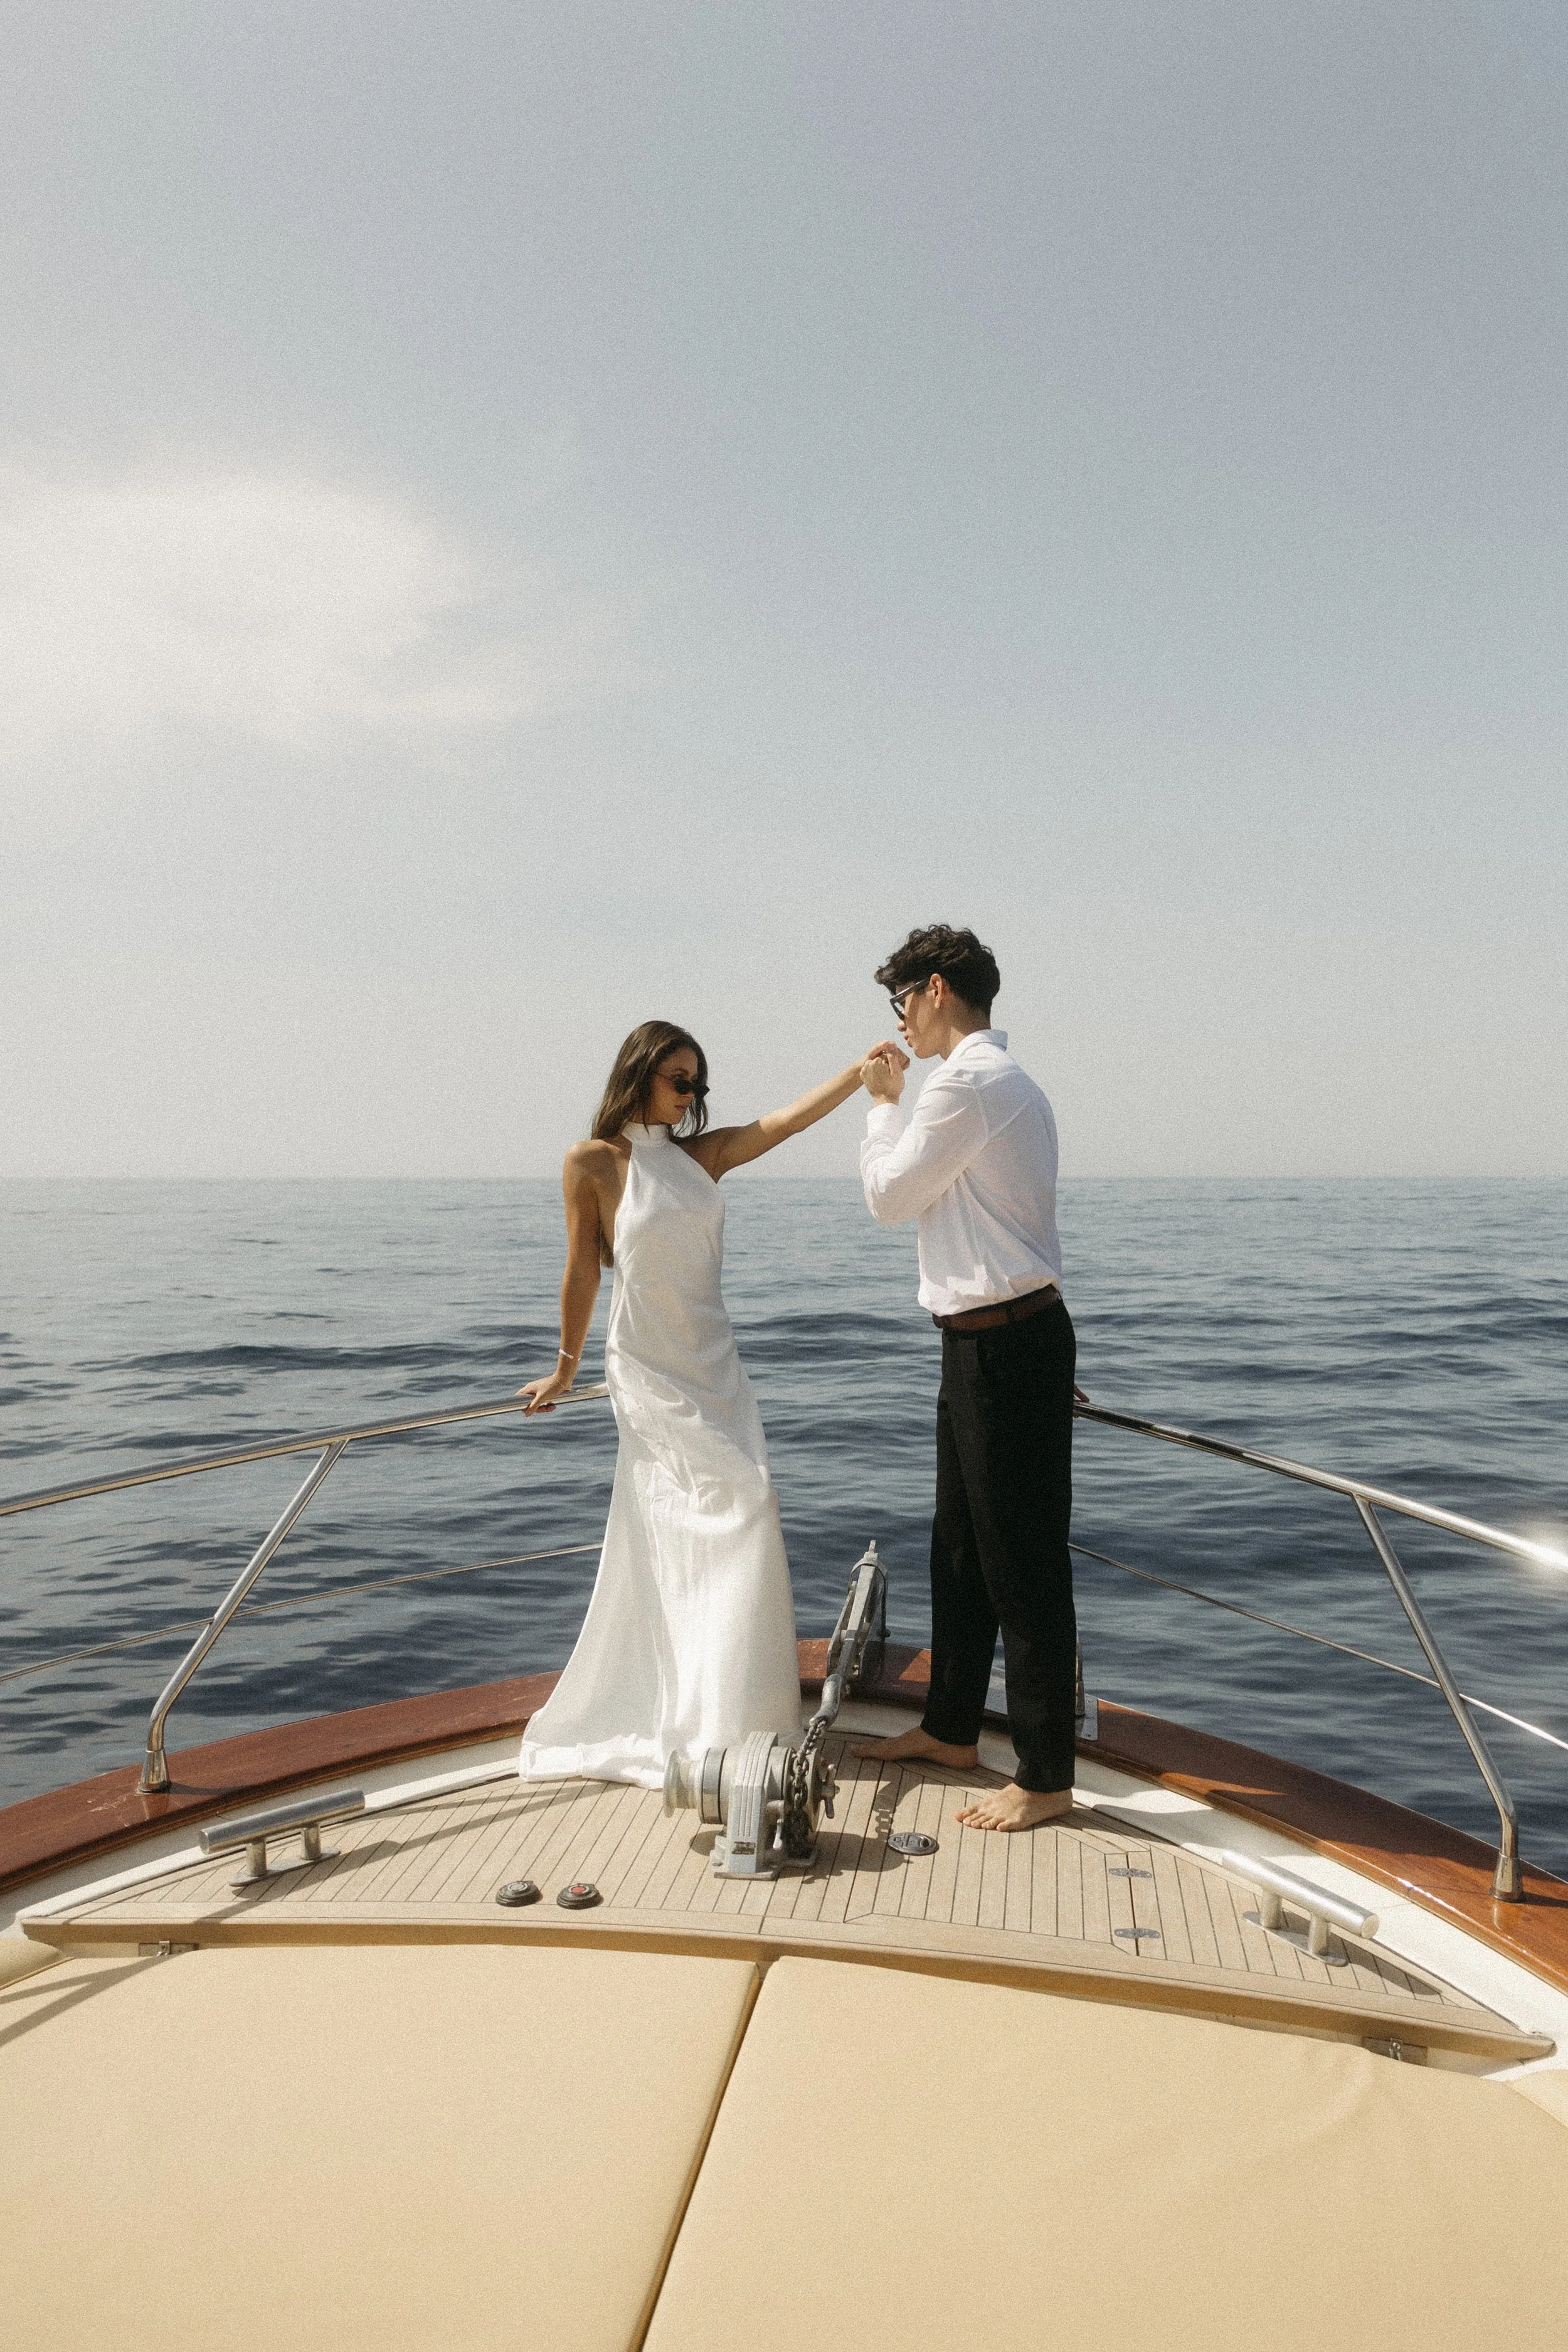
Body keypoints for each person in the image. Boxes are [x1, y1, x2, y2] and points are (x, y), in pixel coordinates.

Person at [516, 1019, 877, 1788]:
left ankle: (725, 1714)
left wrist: (855, 1076)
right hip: (646, 1366)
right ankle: (705, 1718)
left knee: (721, 1520)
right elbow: (582, 1268)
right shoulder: (593, 1162)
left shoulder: (698, 1157)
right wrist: (564, 1367)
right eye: (679, 1080)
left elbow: (782, 1123)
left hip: (714, 1364)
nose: (691, 1097)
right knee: (739, 1507)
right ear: (640, 1073)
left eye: (698, 1085)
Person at [851, 925, 1079, 1832]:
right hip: (993, 1340)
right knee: (962, 1547)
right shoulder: (1005, 1083)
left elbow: (888, 1198)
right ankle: (951, 1726)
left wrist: (880, 1105)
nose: (901, 1019)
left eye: (902, 999)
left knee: (1021, 1561)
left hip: (1004, 1344)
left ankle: (1047, 1773)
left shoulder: (964, 1082)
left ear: (937, 989)